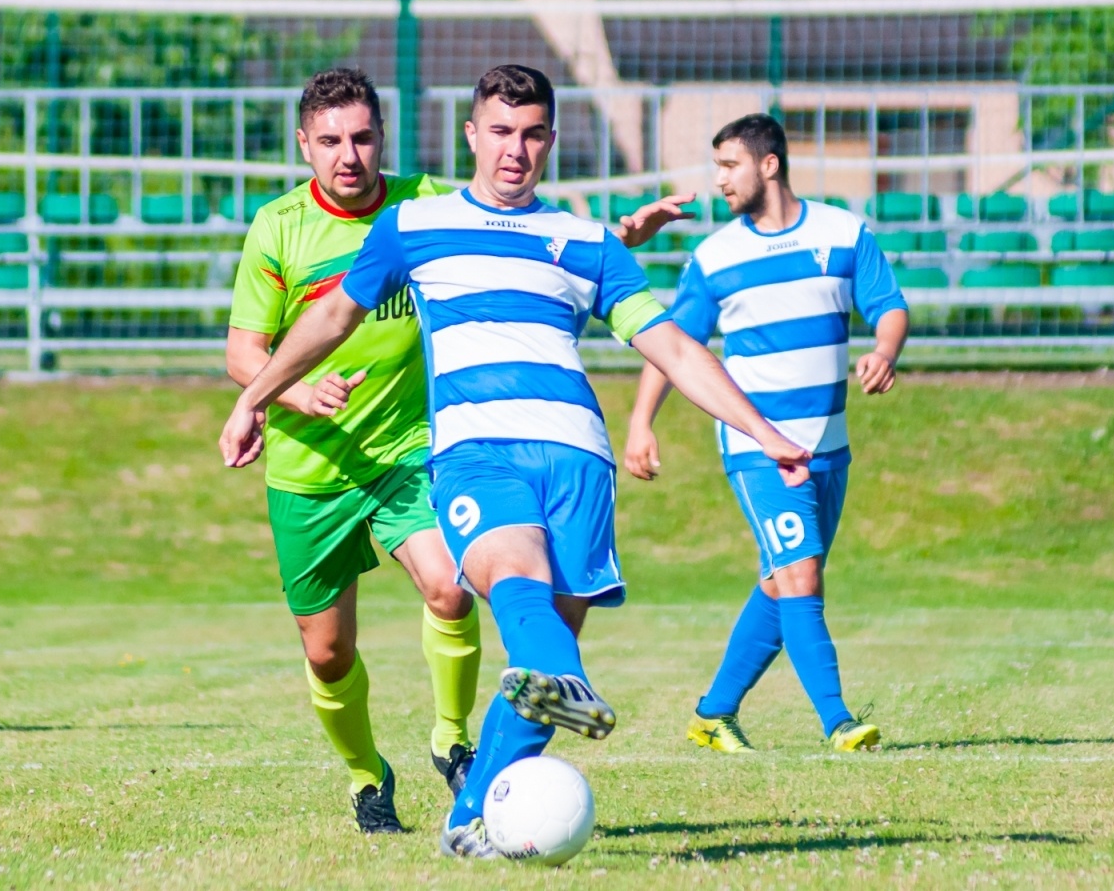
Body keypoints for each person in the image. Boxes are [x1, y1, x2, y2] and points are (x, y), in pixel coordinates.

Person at [219, 65, 810, 859]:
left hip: (578, 462)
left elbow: (667, 341)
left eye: (532, 134)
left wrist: (763, 429)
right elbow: (331, 317)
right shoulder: (414, 225)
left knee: (535, 674)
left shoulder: (585, 241)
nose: (514, 150)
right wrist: (256, 395)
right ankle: (555, 684)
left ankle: (469, 817)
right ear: (471, 135)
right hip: (473, 452)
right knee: (508, 583)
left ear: (552, 142)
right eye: (500, 131)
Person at [624, 112, 909, 755]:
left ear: (769, 164)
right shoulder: (716, 257)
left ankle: (713, 713)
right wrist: (641, 422)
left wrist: (885, 350)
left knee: (783, 583)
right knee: (802, 579)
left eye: (729, 165)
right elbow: (674, 346)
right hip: (758, 451)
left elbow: (888, 305)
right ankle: (838, 724)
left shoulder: (843, 233)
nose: (719, 179)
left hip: (830, 448)